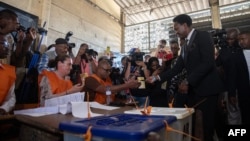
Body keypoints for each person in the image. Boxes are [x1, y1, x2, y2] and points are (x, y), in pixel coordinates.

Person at [146, 14, 224, 141]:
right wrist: (156, 78)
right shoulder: (184, 46)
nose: (176, 32)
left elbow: (208, 63)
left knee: (208, 127)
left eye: (176, 28)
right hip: (195, 92)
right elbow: (176, 69)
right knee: (197, 126)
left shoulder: (203, 36)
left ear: (185, 25)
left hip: (208, 90)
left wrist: (188, 81)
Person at [227, 30, 250, 125]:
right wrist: (231, 93)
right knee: (246, 116)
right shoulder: (236, 56)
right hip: (245, 92)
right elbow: (232, 76)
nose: (241, 42)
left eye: (243, 39)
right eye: (239, 40)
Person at [0, 36, 16, 114]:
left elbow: (11, 98)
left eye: (9, 44)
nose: (8, 48)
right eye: (4, 43)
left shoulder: (8, 72)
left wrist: (3, 109)